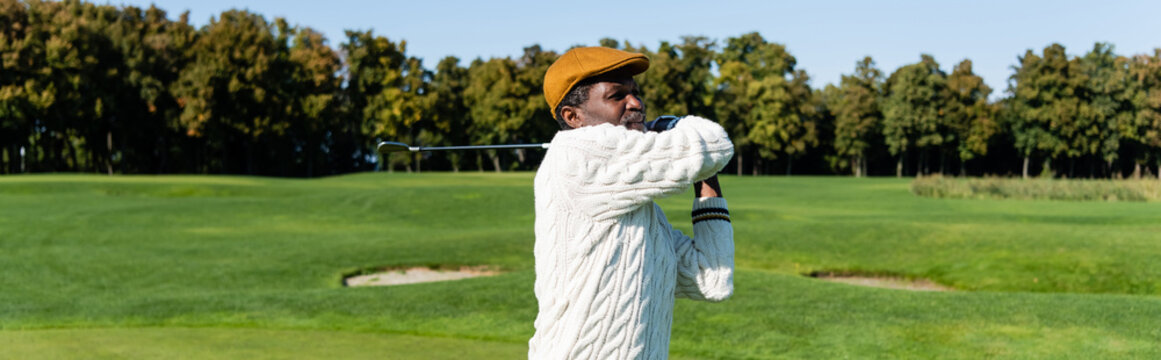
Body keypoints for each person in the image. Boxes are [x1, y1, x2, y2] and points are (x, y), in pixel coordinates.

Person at [529, 46, 736, 360]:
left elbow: (711, 280)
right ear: (573, 117)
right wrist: (674, 126)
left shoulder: (639, 213)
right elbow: (716, 143)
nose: (636, 103)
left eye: (636, 93)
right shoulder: (579, 152)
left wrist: (705, 173)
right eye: (616, 96)